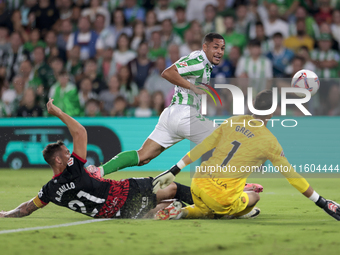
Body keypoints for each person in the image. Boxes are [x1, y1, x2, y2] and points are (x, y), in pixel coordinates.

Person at [152, 90, 340, 221]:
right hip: (220, 197)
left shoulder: (233, 121)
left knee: (204, 207)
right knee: (254, 197)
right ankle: (236, 212)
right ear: (272, 113)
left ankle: (182, 212)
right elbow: (292, 177)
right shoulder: (270, 142)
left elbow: (203, 146)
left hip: (198, 183)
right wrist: (322, 202)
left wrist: (175, 169)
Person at [0, 98, 192, 219]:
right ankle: (213, 202)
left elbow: (25, 209)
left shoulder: (49, 191)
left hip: (118, 213)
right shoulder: (73, 170)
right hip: (125, 193)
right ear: (58, 160)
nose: (70, 154)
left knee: (160, 208)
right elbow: (80, 133)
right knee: (172, 188)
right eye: (67, 153)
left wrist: (5, 214)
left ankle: (168, 211)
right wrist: (58, 113)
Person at [88, 33, 225, 181]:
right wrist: (193, 87)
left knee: (143, 157)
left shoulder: (200, 60)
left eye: (222, 48)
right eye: (215, 47)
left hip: (171, 115)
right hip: (185, 114)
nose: (219, 52)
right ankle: (232, 187)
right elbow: (167, 73)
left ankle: (98, 171)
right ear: (205, 47)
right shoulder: (199, 61)